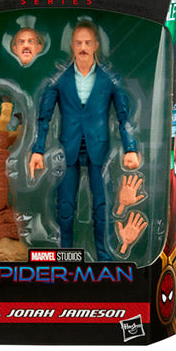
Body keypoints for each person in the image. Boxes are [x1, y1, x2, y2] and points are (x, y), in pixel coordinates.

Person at [28, 20, 139, 260]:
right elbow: (44, 118)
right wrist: (37, 150)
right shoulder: (60, 80)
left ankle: (103, 257)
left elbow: (124, 117)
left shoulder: (109, 80)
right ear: (72, 45)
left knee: (101, 207)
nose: (83, 47)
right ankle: (66, 255)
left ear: (96, 45)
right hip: (69, 149)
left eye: (88, 42)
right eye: (79, 43)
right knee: (65, 207)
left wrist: (130, 148)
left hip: (99, 150)